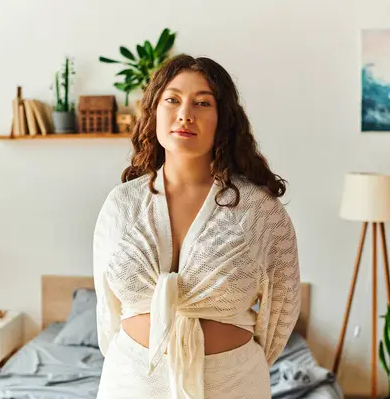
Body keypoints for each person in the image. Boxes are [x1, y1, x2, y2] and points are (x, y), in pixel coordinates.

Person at [94, 54, 301, 399]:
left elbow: (282, 310)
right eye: (172, 99)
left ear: (223, 119)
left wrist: (231, 363)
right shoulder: (121, 204)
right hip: (132, 379)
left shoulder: (258, 209)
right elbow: (106, 308)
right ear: (154, 111)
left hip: (231, 383)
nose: (185, 113)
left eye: (202, 102)